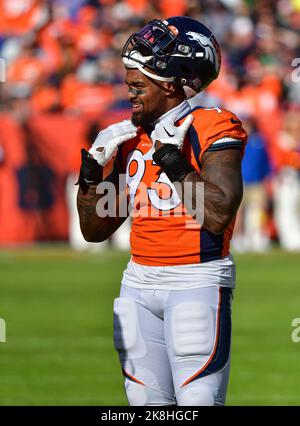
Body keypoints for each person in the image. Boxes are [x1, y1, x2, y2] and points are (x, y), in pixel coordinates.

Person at [77, 16, 247, 406]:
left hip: (196, 281)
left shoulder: (211, 125)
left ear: (170, 86)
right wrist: (91, 176)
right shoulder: (128, 137)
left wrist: (172, 158)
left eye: (138, 86)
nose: (130, 95)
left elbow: (218, 214)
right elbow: (95, 229)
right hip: (136, 283)